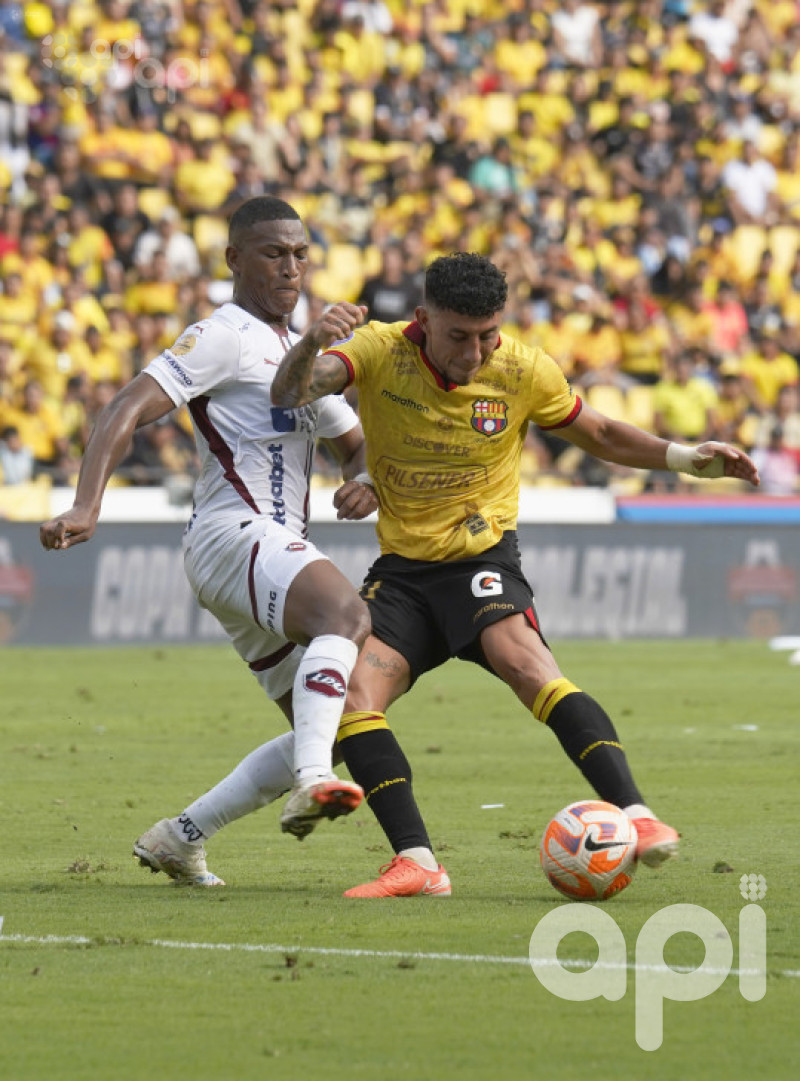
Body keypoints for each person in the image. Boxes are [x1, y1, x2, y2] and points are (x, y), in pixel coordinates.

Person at [270, 251, 760, 897]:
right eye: (458, 336)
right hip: (404, 573)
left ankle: (637, 816)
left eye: (487, 335)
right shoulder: (379, 350)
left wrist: (687, 459)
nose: (475, 352)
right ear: (422, 319)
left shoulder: (525, 368)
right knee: (356, 698)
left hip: (481, 561)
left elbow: (603, 434)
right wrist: (311, 341)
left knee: (528, 665)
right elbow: (290, 394)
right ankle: (418, 862)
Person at [39, 196, 379, 883]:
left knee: (343, 720)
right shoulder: (224, 334)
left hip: (265, 550)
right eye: (272, 252)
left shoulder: (294, 351)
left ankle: (181, 834)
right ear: (233, 258)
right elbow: (126, 405)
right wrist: (86, 503)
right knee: (346, 616)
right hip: (232, 536)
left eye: (300, 253)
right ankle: (309, 780)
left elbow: (353, 441)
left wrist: (364, 476)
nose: (290, 266)